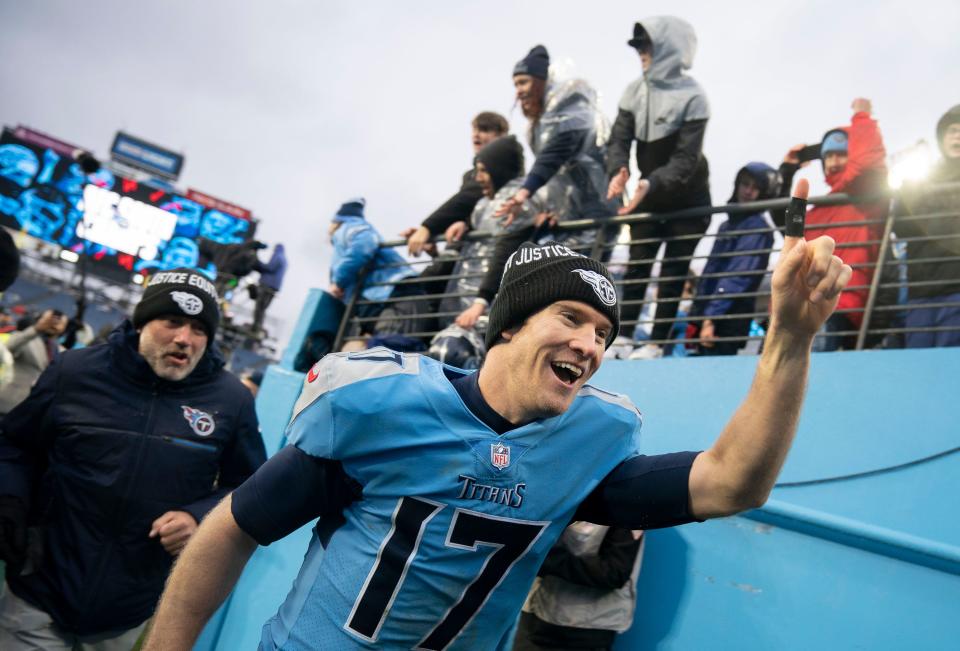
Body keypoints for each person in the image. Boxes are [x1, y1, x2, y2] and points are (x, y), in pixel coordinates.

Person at [144, 189, 853, 650]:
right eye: (571, 317)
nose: (590, 343)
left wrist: (790, 338)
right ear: (509, 326)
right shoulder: (384, 408)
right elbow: (233, 526)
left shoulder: (585, 443)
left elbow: (734, 483)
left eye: (604, 333)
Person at [0, 268, 267, 650]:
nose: (184, 339)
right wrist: (9, 497)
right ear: (142, 322)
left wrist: (200, 515)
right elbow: (16, 445)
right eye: (172, 322)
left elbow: (249, 486)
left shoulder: (232, 401)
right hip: (40, 588)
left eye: (198, 329)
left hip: (132, 604)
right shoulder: (73, 372)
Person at [604, 16, 713, 360]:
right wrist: (619, 169)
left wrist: (650, 182)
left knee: (673, 270)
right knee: (638, 263)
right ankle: (621, 338)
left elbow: (685, 160)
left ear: (669, 47)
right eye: (638, 46)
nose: (641, 53)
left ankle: (655, 343)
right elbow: (618, 140)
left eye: (647, 45)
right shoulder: (633, 92)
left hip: (688, 197)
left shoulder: (694, 97)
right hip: (646, 195)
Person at [776, 98, 888, 351]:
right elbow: (783, 222)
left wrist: (862, 117)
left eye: (842, 154)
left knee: (809, 382)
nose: (834, 161)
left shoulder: (869, 197)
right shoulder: (817, 211)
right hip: (794, 303)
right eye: (828, 156)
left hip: (833, 306)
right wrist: (787, 170)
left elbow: (867, 163)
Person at [498, 45, 615, 252]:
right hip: (565, 215)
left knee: (588, 276)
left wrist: (524, 193)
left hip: (596, 206)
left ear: (541, 81)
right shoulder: (538, 125)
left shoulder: (571, 103)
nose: (519, 91)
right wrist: (547, 207)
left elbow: (557, 150)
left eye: (524, 82)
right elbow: (556, 176)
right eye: (515, 84)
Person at [439, 134, 540, 332]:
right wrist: (466, 224)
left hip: (494, 309)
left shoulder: (514, 205)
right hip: (472, 307)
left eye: (483, 171)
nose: (478, 179)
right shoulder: (488, 203)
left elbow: (506, 251)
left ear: (498, 170)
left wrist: (481, 301)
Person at [690, 163, 780, 356]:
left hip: (725, 320)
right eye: (745, 184)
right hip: (713, 315)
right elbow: (712, 272)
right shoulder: (727, 225)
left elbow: (737, 277)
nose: (748, 191)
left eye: (755, 188)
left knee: (712, 375)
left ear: (763, 194)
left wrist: (710, 319)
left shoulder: (757, 228)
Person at [514, 524, 644, 651]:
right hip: (534, 615)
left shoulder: (629, 508)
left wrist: (548, 557)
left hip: (584, 630)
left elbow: (614, 572)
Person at [894, 104, 960, 347]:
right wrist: (906, 192)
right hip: (921, 289)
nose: (957, 136)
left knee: (951, 366)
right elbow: (901, 227)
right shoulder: (923, 178)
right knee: (918, 359)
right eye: (952, 130)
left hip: (956, 288)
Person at [402, 112, 510, 257]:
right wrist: (434, 241)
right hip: (470, 258)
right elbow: (462, 213)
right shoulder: (469, 175)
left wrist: (427, 228)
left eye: (484, 130)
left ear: (501, 137)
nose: (476, 135)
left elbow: (466, 198)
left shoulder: (506, 168)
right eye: (474, 130)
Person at [328, 198, 418, 338]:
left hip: (386, 289)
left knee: (390, 344)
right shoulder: (351, 228)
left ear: (336, 221)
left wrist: (339, 281)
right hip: (380, 293)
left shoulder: (350, 227)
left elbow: (364, 245)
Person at [0, 308, 68, 416]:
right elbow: (10, 347)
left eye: (60, 322)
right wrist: (37, 329)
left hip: (33, 411)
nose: (54, 323)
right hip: (8, 403)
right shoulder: (25, 338)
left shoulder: (63, 352)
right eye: (50, 319)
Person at [250, 242, 288, 335]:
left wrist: (257, 263)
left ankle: (256, 327)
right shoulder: (284, 259)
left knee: (259, 307)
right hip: (274, 288)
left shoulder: (277, 256)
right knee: (263, 308)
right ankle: (258, 327)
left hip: (267, 285)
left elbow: (270, 268)